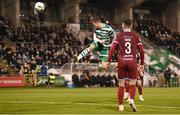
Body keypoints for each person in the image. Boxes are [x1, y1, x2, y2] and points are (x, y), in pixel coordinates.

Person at [104, 19, 144, 112]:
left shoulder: (119, 36)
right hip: (132, 62)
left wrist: (108, 61)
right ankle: (131, 100)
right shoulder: (136, 36)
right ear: (130, 25)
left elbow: (112, 48)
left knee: (121, 84)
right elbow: (141, 50)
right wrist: (142, 63)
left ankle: (121, 106)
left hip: (122, 61)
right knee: (133, 83)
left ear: (123, 25)